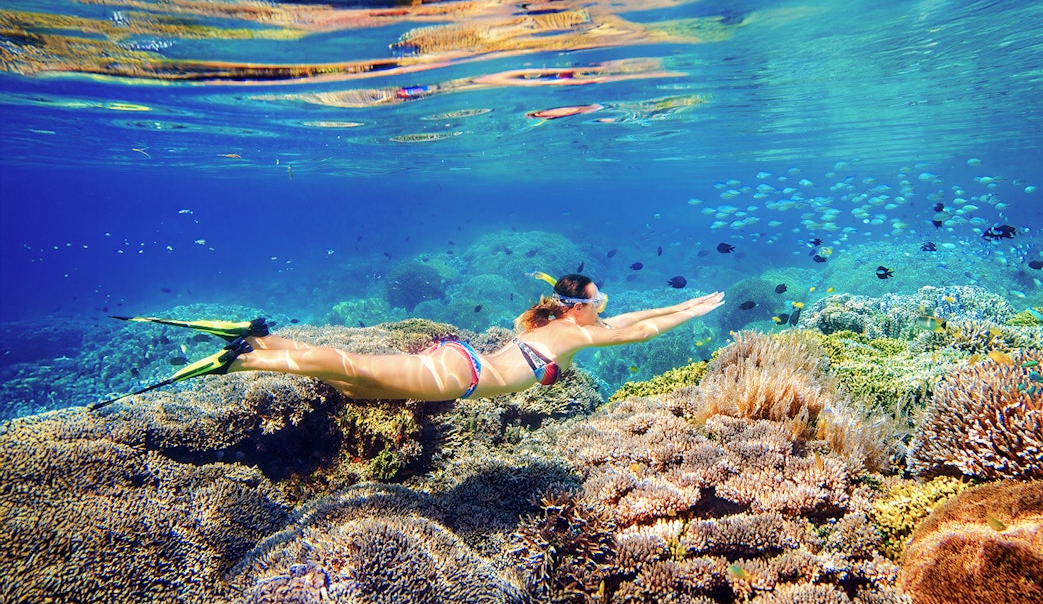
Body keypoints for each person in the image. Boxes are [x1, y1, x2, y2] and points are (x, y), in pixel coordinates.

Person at [92, 274, 724, 408]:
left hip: (457, 360)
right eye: (602, 300)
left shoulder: (539, 323)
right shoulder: (576, 338)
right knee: (354, 371)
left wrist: (687, 301)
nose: (609, 308)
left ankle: (254, 351)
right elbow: (643, 326)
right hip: (461, 377)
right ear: (585, 309)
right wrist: (689, 313)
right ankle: (252, 349)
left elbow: (639, 315)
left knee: (350, 378)